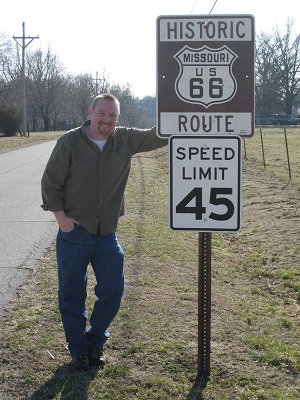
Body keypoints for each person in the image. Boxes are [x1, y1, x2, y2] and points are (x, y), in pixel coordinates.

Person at [41, 93, 167, 371]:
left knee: (113, 289)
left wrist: (184, 114)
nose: (107, 120)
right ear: (91, 112)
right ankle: (78, 350)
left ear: (117, 118)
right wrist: (61, 218)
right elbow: (50, 183)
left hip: (107, 234)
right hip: (74, 233)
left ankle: (95, 341)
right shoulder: (70, 142)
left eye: (112, 116)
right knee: (71, 293)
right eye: (102, 113)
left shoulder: (125, 139)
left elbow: (160, 135)